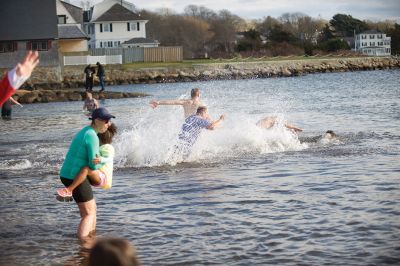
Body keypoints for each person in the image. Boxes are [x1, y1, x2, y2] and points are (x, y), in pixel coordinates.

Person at [59, 107, 116, 239]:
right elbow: (93, 164)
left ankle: (91, 237)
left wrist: (98, 160)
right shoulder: (92, 136)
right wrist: (106, 160)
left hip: (68, 174)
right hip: (75, 176)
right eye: (107, 121)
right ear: (97, 120)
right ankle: (83, 245)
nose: (109, 124)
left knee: (92, 210)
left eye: (109, 121)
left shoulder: (86, 131)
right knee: (88, 214)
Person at [57, 123, 117, 200]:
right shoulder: (98, 146)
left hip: (102, 177)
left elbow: (110, 158)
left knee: (85, 169)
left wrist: (101, 159)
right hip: (96, 174)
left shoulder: (108, 147)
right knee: (83, 169)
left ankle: (69, 190)